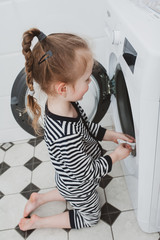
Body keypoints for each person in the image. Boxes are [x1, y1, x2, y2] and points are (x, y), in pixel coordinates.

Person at [19, 28, 135, 231]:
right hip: (78, 184)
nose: (90, 84)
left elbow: (86, 127)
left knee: (67, 187)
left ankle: (40, 198)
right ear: (63, 88)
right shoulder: (64, 135)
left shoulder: (63, 105)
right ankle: (38, 222)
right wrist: (115, 157)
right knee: (90, 217)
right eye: (87, 79)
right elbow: (86, 173)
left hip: (69, 177)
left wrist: (111, 135)